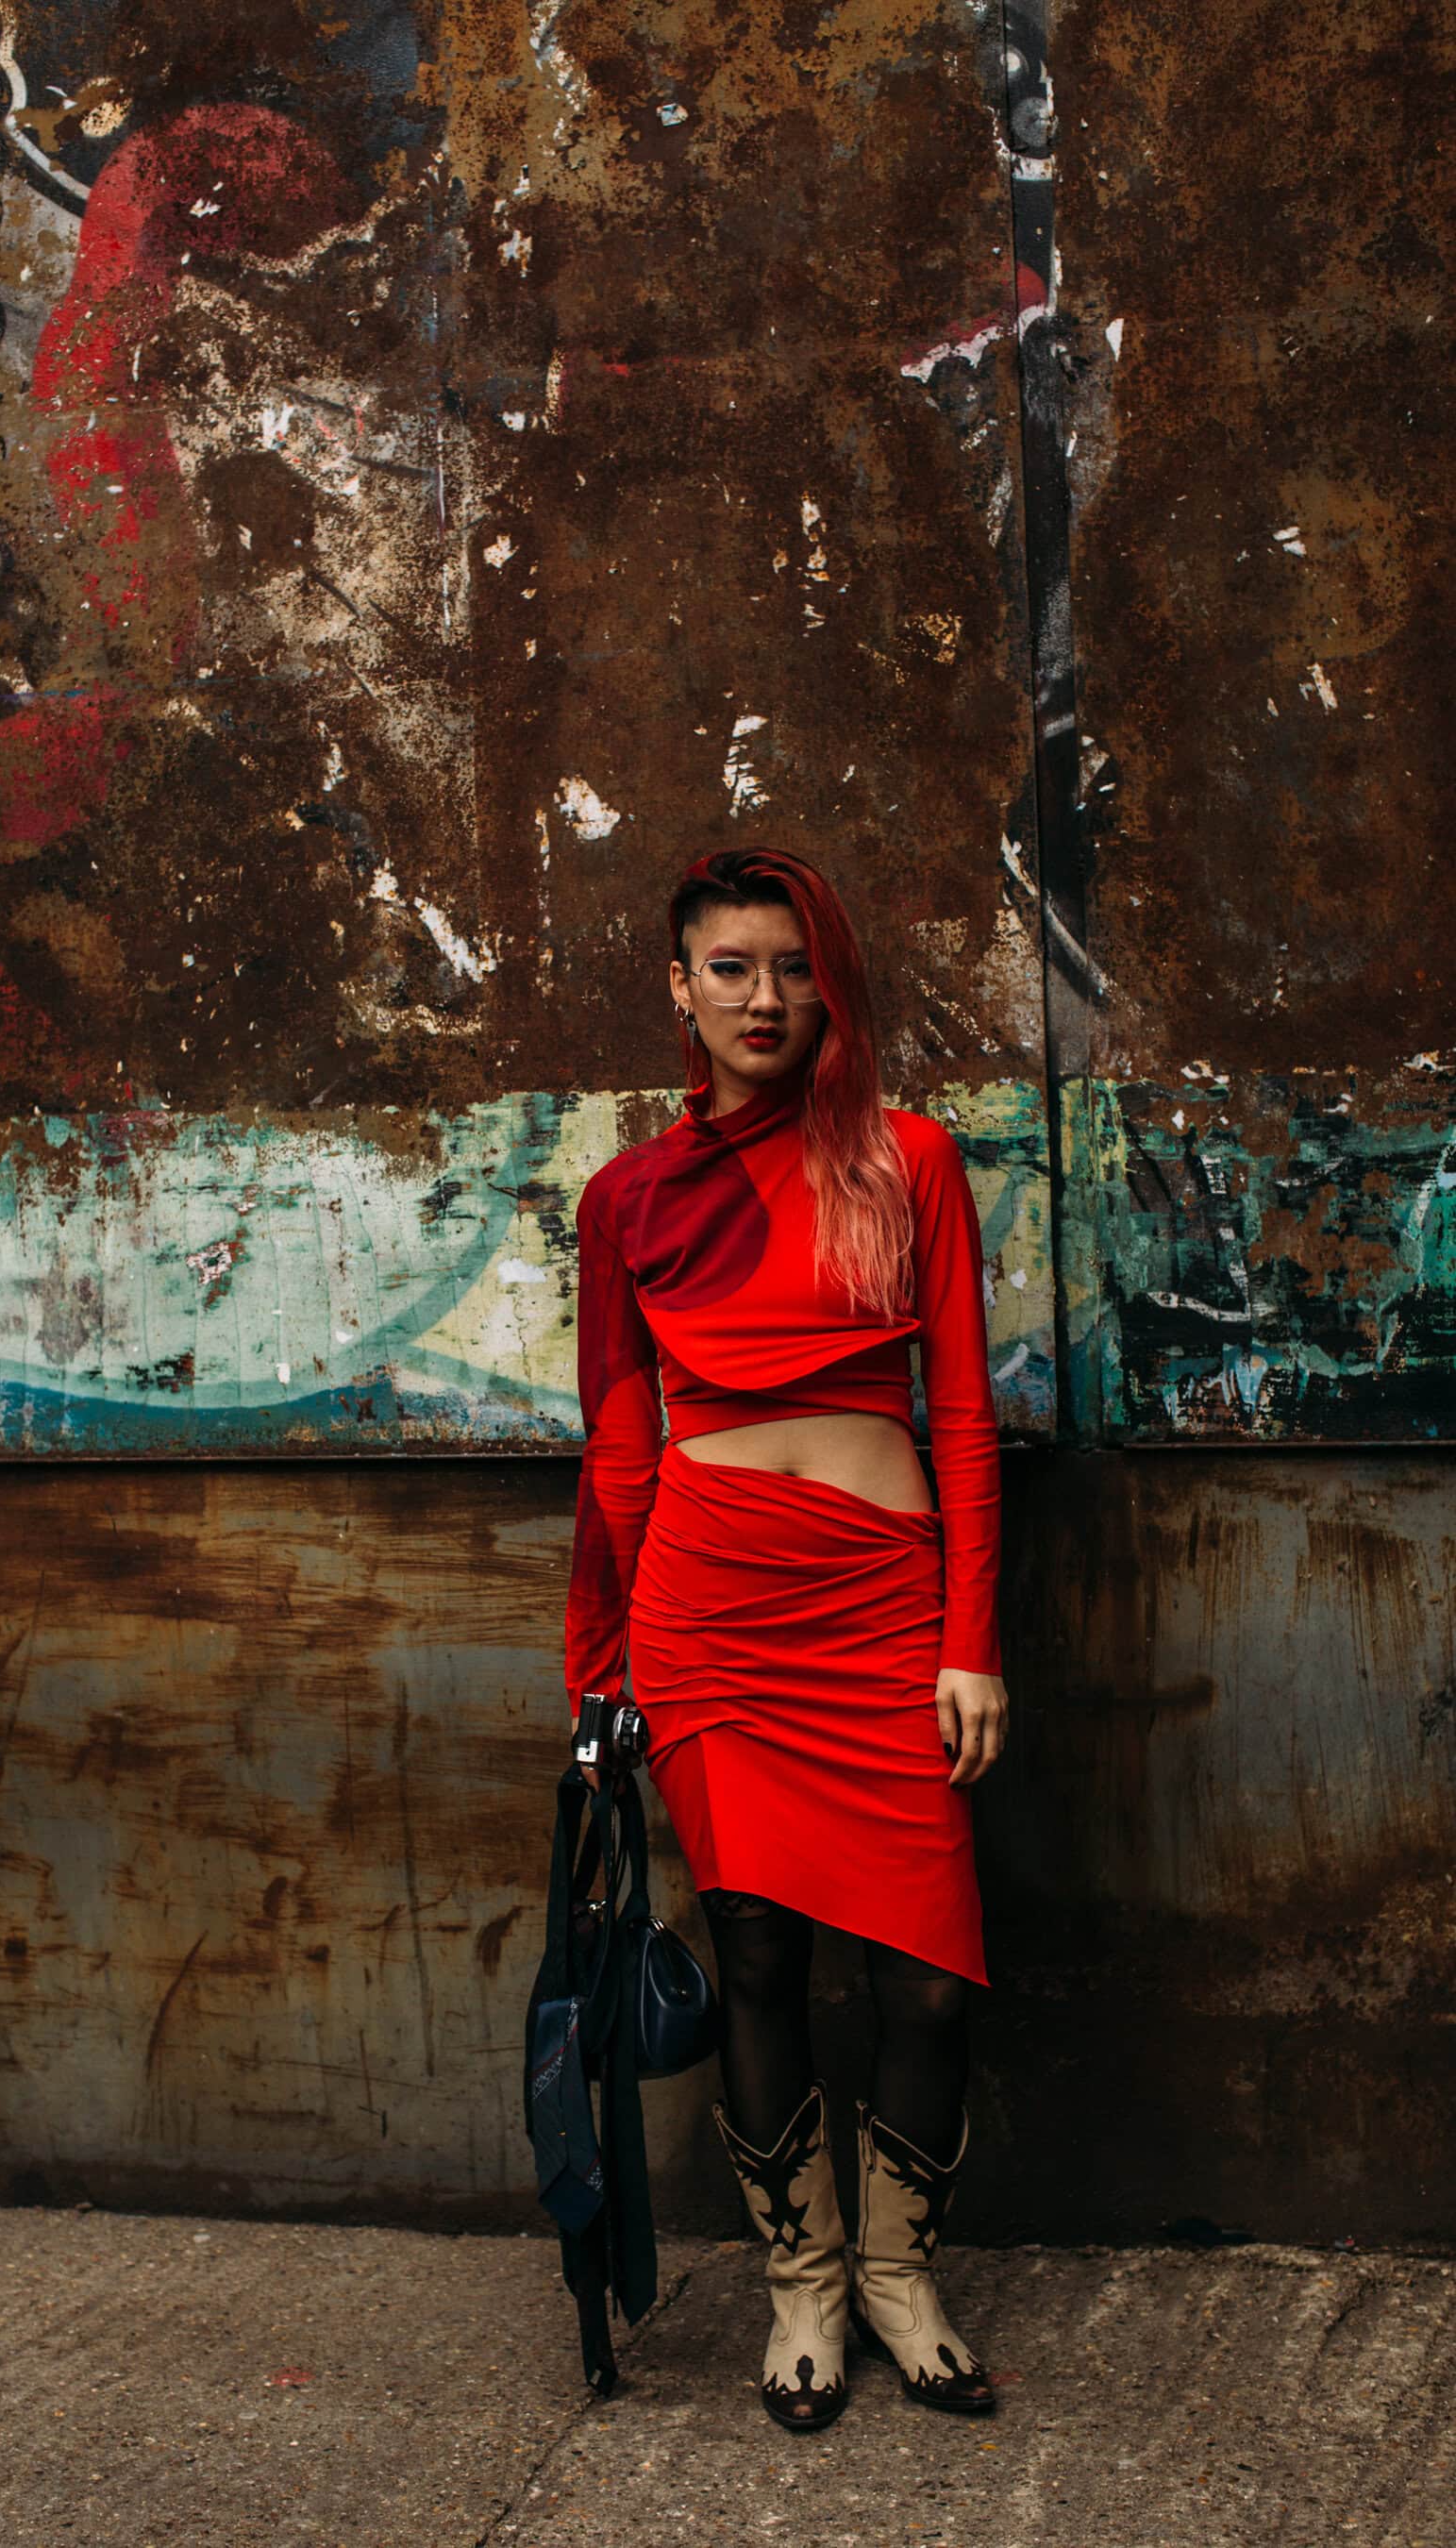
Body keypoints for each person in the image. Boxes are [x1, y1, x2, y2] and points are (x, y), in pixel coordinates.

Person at [562, 845, 1009, 2434]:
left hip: (883, 1608)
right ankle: (805, 2286)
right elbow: (620, 1441)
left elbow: (964, 1415)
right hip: (712, 1617)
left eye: (794, 966)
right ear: (680, 989)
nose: (765, 997)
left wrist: (970, 1639)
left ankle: (902, 2277)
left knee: (931, 1985)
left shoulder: (910, 1159)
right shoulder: (629, 1198)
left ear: (833, 983)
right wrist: (603, 1668)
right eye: (731, 968)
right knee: (756, 1952)